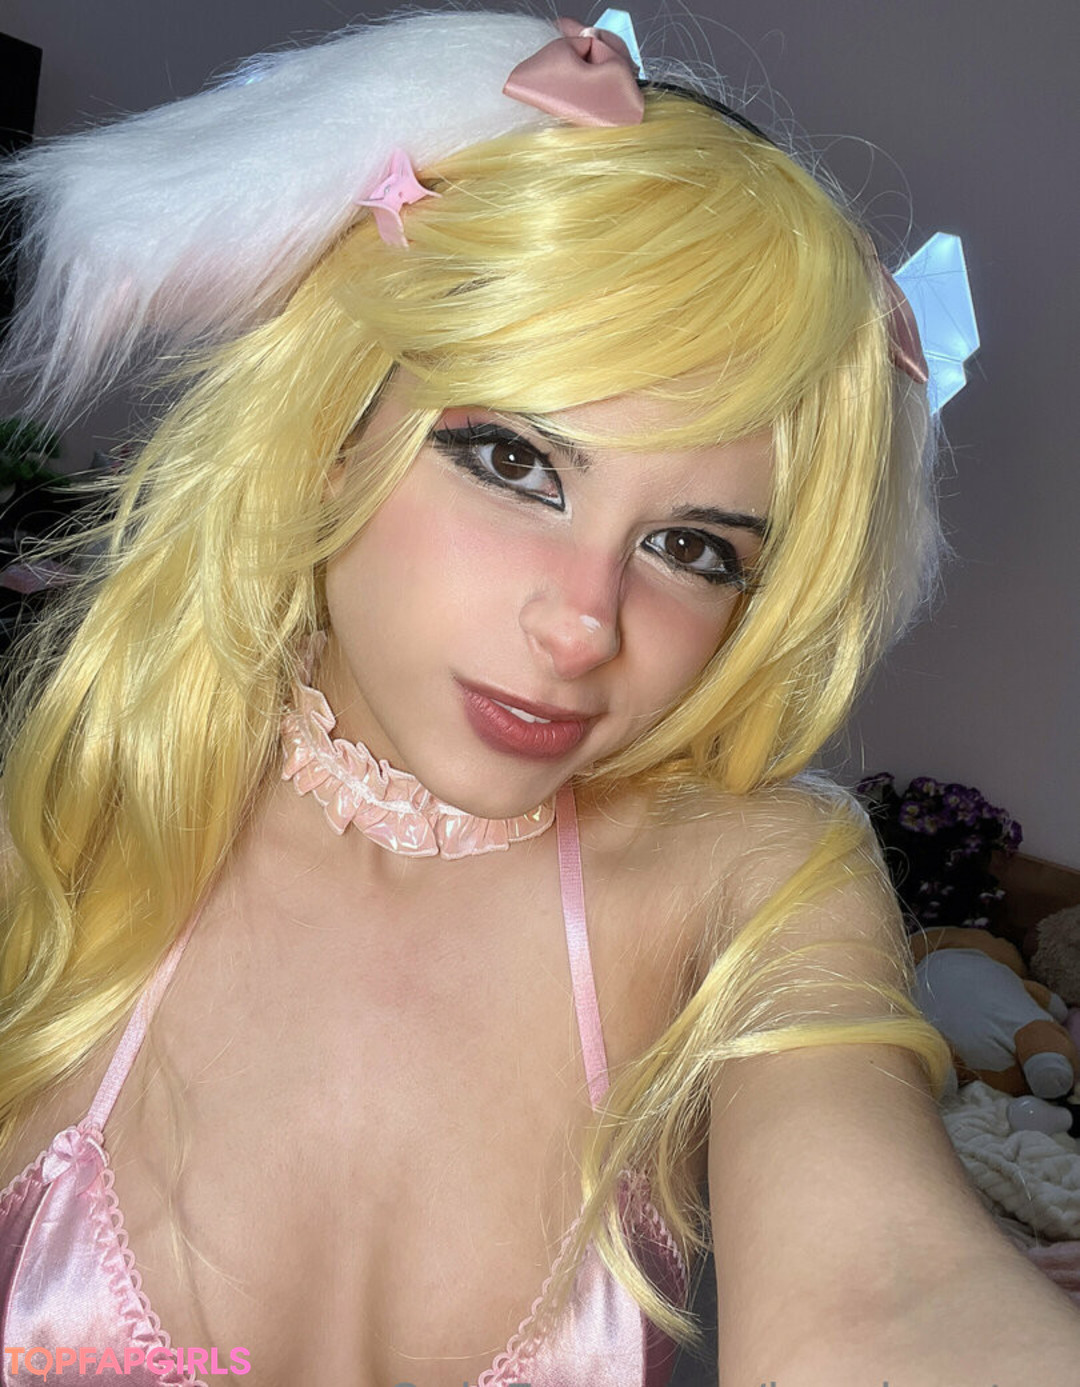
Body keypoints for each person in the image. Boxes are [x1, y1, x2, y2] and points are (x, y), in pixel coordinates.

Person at [0, 9, 1075, 1386]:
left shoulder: (754, 878)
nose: (582, 624)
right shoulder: (94, 806)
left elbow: (883, 1294)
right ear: (335, 434)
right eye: (516, 463)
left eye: (691, 547)